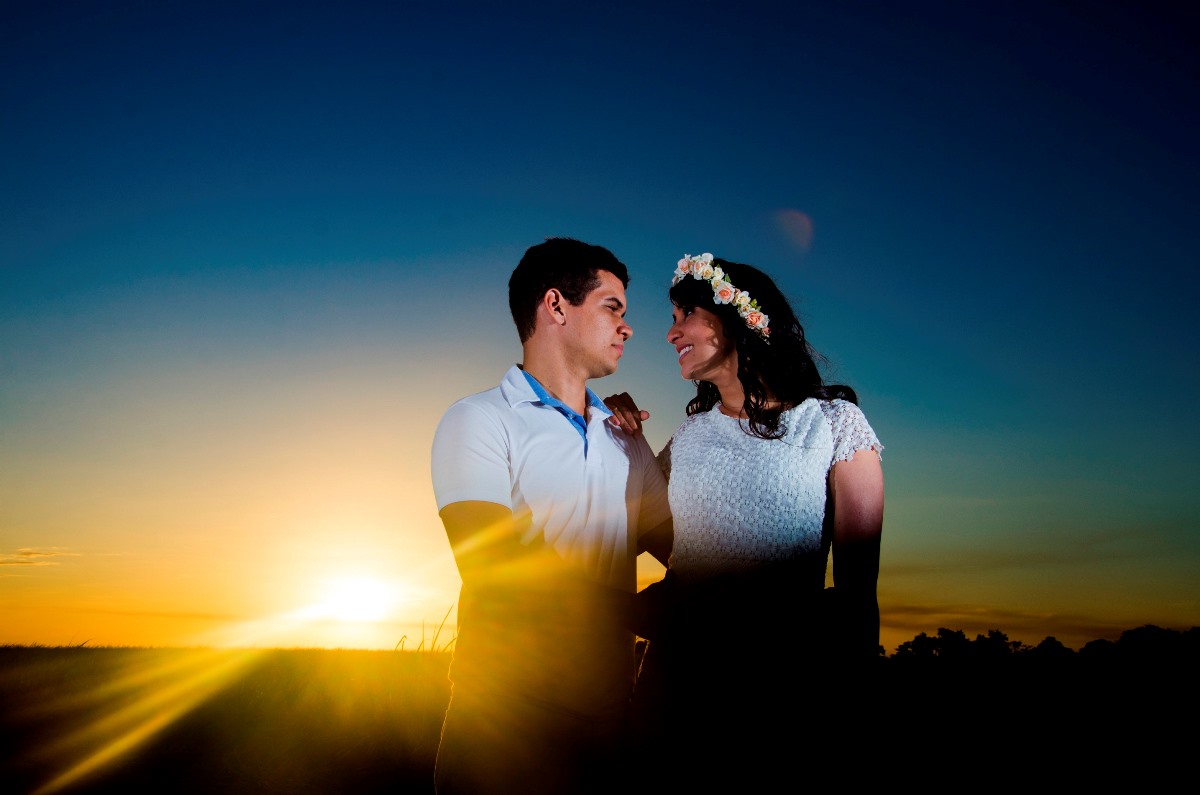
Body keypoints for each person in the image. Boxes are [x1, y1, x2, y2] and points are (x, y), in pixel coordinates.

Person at [607, 252, 884, 788]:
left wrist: (856, 708)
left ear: (734, 316)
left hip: (784, 687)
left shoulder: (833, 424)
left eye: (684, 314)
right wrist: (624, 439)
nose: (670, 333)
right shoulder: (687, 439)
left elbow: (858, 591)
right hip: (676, 683)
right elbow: (648, 529)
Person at [429, 237, 672, 795]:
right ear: (556, 306)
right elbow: (496, 566)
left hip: (613, 723)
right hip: (502, 725)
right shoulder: (479, 420)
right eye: (612, 307)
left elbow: (680, 546)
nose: (628, 327)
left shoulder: (626, 437)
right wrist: (652, 616)